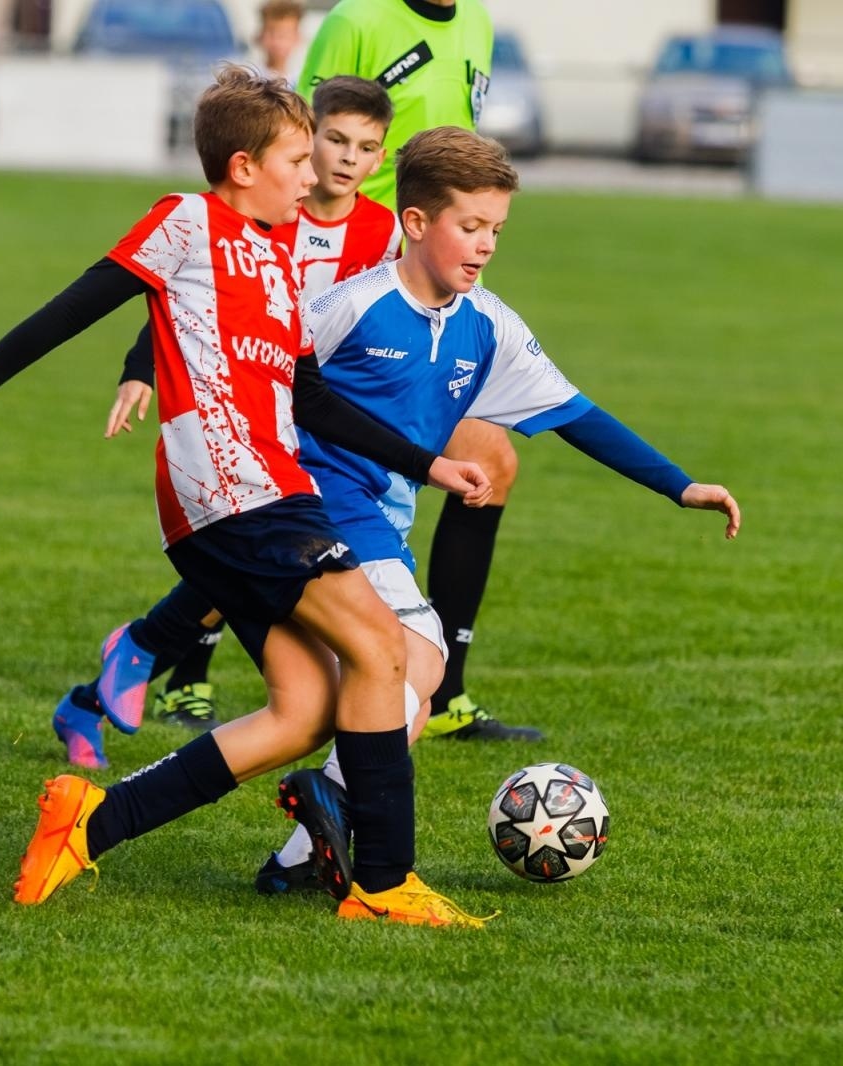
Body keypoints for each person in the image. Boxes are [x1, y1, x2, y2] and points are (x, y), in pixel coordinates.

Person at [0, 67, 496, 928]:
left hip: (268, 497)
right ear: (242, 166)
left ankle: (88, 825)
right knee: (382, 652)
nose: (310, 175)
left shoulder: (282, 259)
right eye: (294, 159)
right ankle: (385, 884)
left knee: (302, 712)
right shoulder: (185, 222)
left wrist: (427, 466)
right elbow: (64, 314)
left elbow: (310, 399)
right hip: (235, 494)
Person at [254, 125, 741, 893]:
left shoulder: (488, 326)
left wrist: (678, 485)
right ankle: (336, 815)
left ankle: (298, 857)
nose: (484, 246)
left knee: (365, 693)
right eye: (470, 227)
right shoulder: (352, 306)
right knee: (418, 652)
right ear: (415, 224)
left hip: (380, 521)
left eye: (496, 231)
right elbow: (263, 364)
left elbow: (576, 414)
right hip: (318, 504)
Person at [49, 74, 402, 756]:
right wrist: (140, 367)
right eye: (329, 142)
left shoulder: (380, 233)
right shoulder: (264, 219)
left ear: (380, 157)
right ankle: (171, 670)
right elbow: (191, 300)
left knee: (255, 567)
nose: (343, 159)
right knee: (259, 560)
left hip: (315, 416)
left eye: (366, 147)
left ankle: (132, 670)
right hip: (247, 420)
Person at [298, 0, 535, 741]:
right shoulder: (358, 20)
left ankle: (444, 687)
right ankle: (172, 655)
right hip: (360, 284)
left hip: (430, 283)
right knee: (290, 468)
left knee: (489, 459)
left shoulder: (478, 27)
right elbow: (299, 143)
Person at [254, 0, 305, 83]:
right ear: (260, 35)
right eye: (271, 33)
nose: (277, 41)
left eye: (285, 34)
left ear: (297, 37)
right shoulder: (249, 79)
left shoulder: (300, 81)